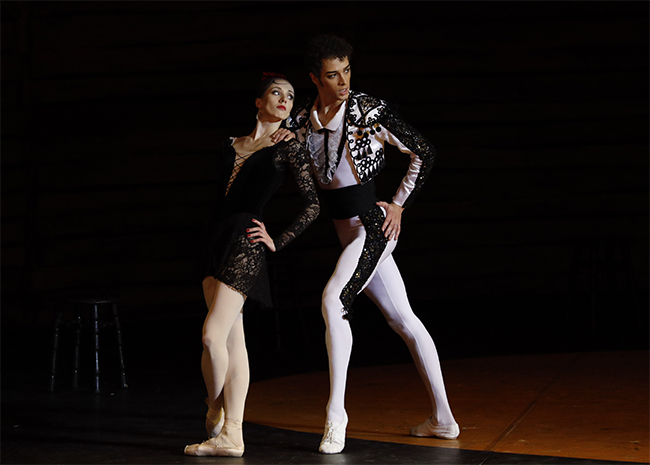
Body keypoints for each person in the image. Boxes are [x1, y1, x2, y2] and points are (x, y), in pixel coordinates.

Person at [289, 35, 459, 454]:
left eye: (347, 70)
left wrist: (399, 205)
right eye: (333, 74)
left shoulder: (366, 108)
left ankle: (336, 416)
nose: (343, 80)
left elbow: (423, 151)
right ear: (315, 78)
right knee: (405, 321)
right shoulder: (301, 122)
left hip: (373, 227)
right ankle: (443, 419)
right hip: (346, 232)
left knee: (333, 299)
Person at [184, 72, 319, 457]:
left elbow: (313, 204)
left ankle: (214, 406)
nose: (284, 100)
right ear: (258, 101)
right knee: (233, 341)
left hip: (246, 242)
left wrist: (279, 240)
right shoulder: (230, 145)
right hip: (213, 240)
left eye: (291, 97)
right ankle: (233, 436)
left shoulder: (287, 147)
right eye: (276, 93)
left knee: (212, 335)